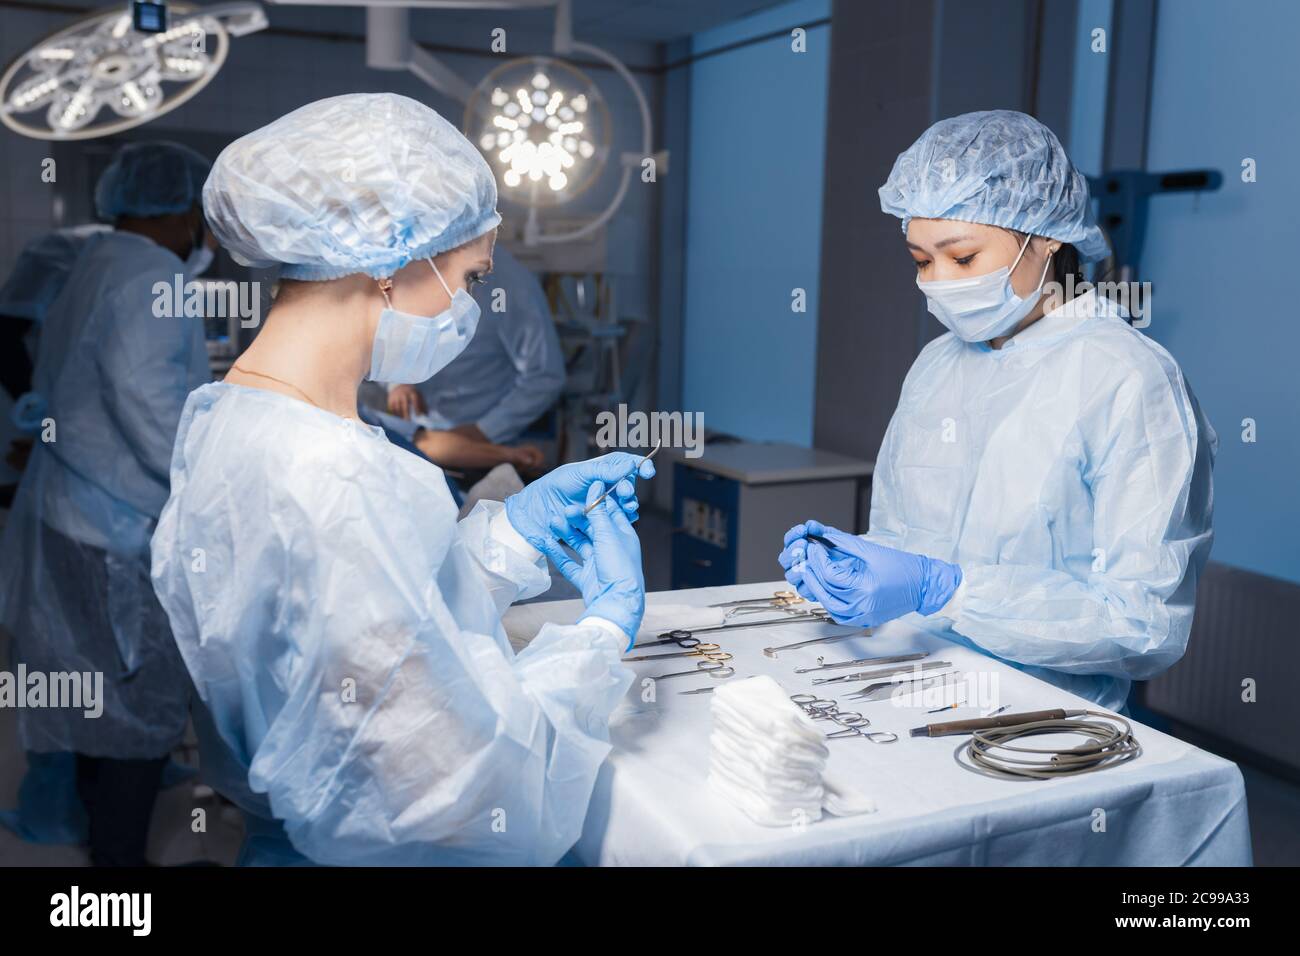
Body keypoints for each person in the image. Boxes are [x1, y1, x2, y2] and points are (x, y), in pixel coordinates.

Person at [150, 93, 651, 866]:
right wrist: (596, 639)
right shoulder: (335, 476)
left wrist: (509, 537)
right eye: (471, 275)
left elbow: (373, 629)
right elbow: (461, 789)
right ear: (394, 259)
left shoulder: (230, 416)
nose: (472, 303)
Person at [779, 111, 1216, 713]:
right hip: (903, 678)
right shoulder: (937, 364)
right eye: (920, 260)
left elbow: (1143, 624)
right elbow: (903, 534)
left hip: (1043, 714)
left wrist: (952, 592)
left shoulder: (1130, 379)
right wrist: (854, 568)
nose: (937, 282)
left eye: (961, 259)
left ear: (1045, 237)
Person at [0, 141, 214, 865]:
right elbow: (149, 402)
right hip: (117, 529)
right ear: (185, 208)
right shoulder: (155, 275)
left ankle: (105, 854)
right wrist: (211, 489)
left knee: (98, 703)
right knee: (138, 714)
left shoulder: (95, 260)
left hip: (74, 510)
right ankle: (119, 883)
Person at [385, 245, 564, 457]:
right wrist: (398, 382)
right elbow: (392, 333)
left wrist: (484, 430)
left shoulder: (508, 286)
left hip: (487, 440)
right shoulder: (407, 263)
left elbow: (544, 377)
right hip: (420, 435)